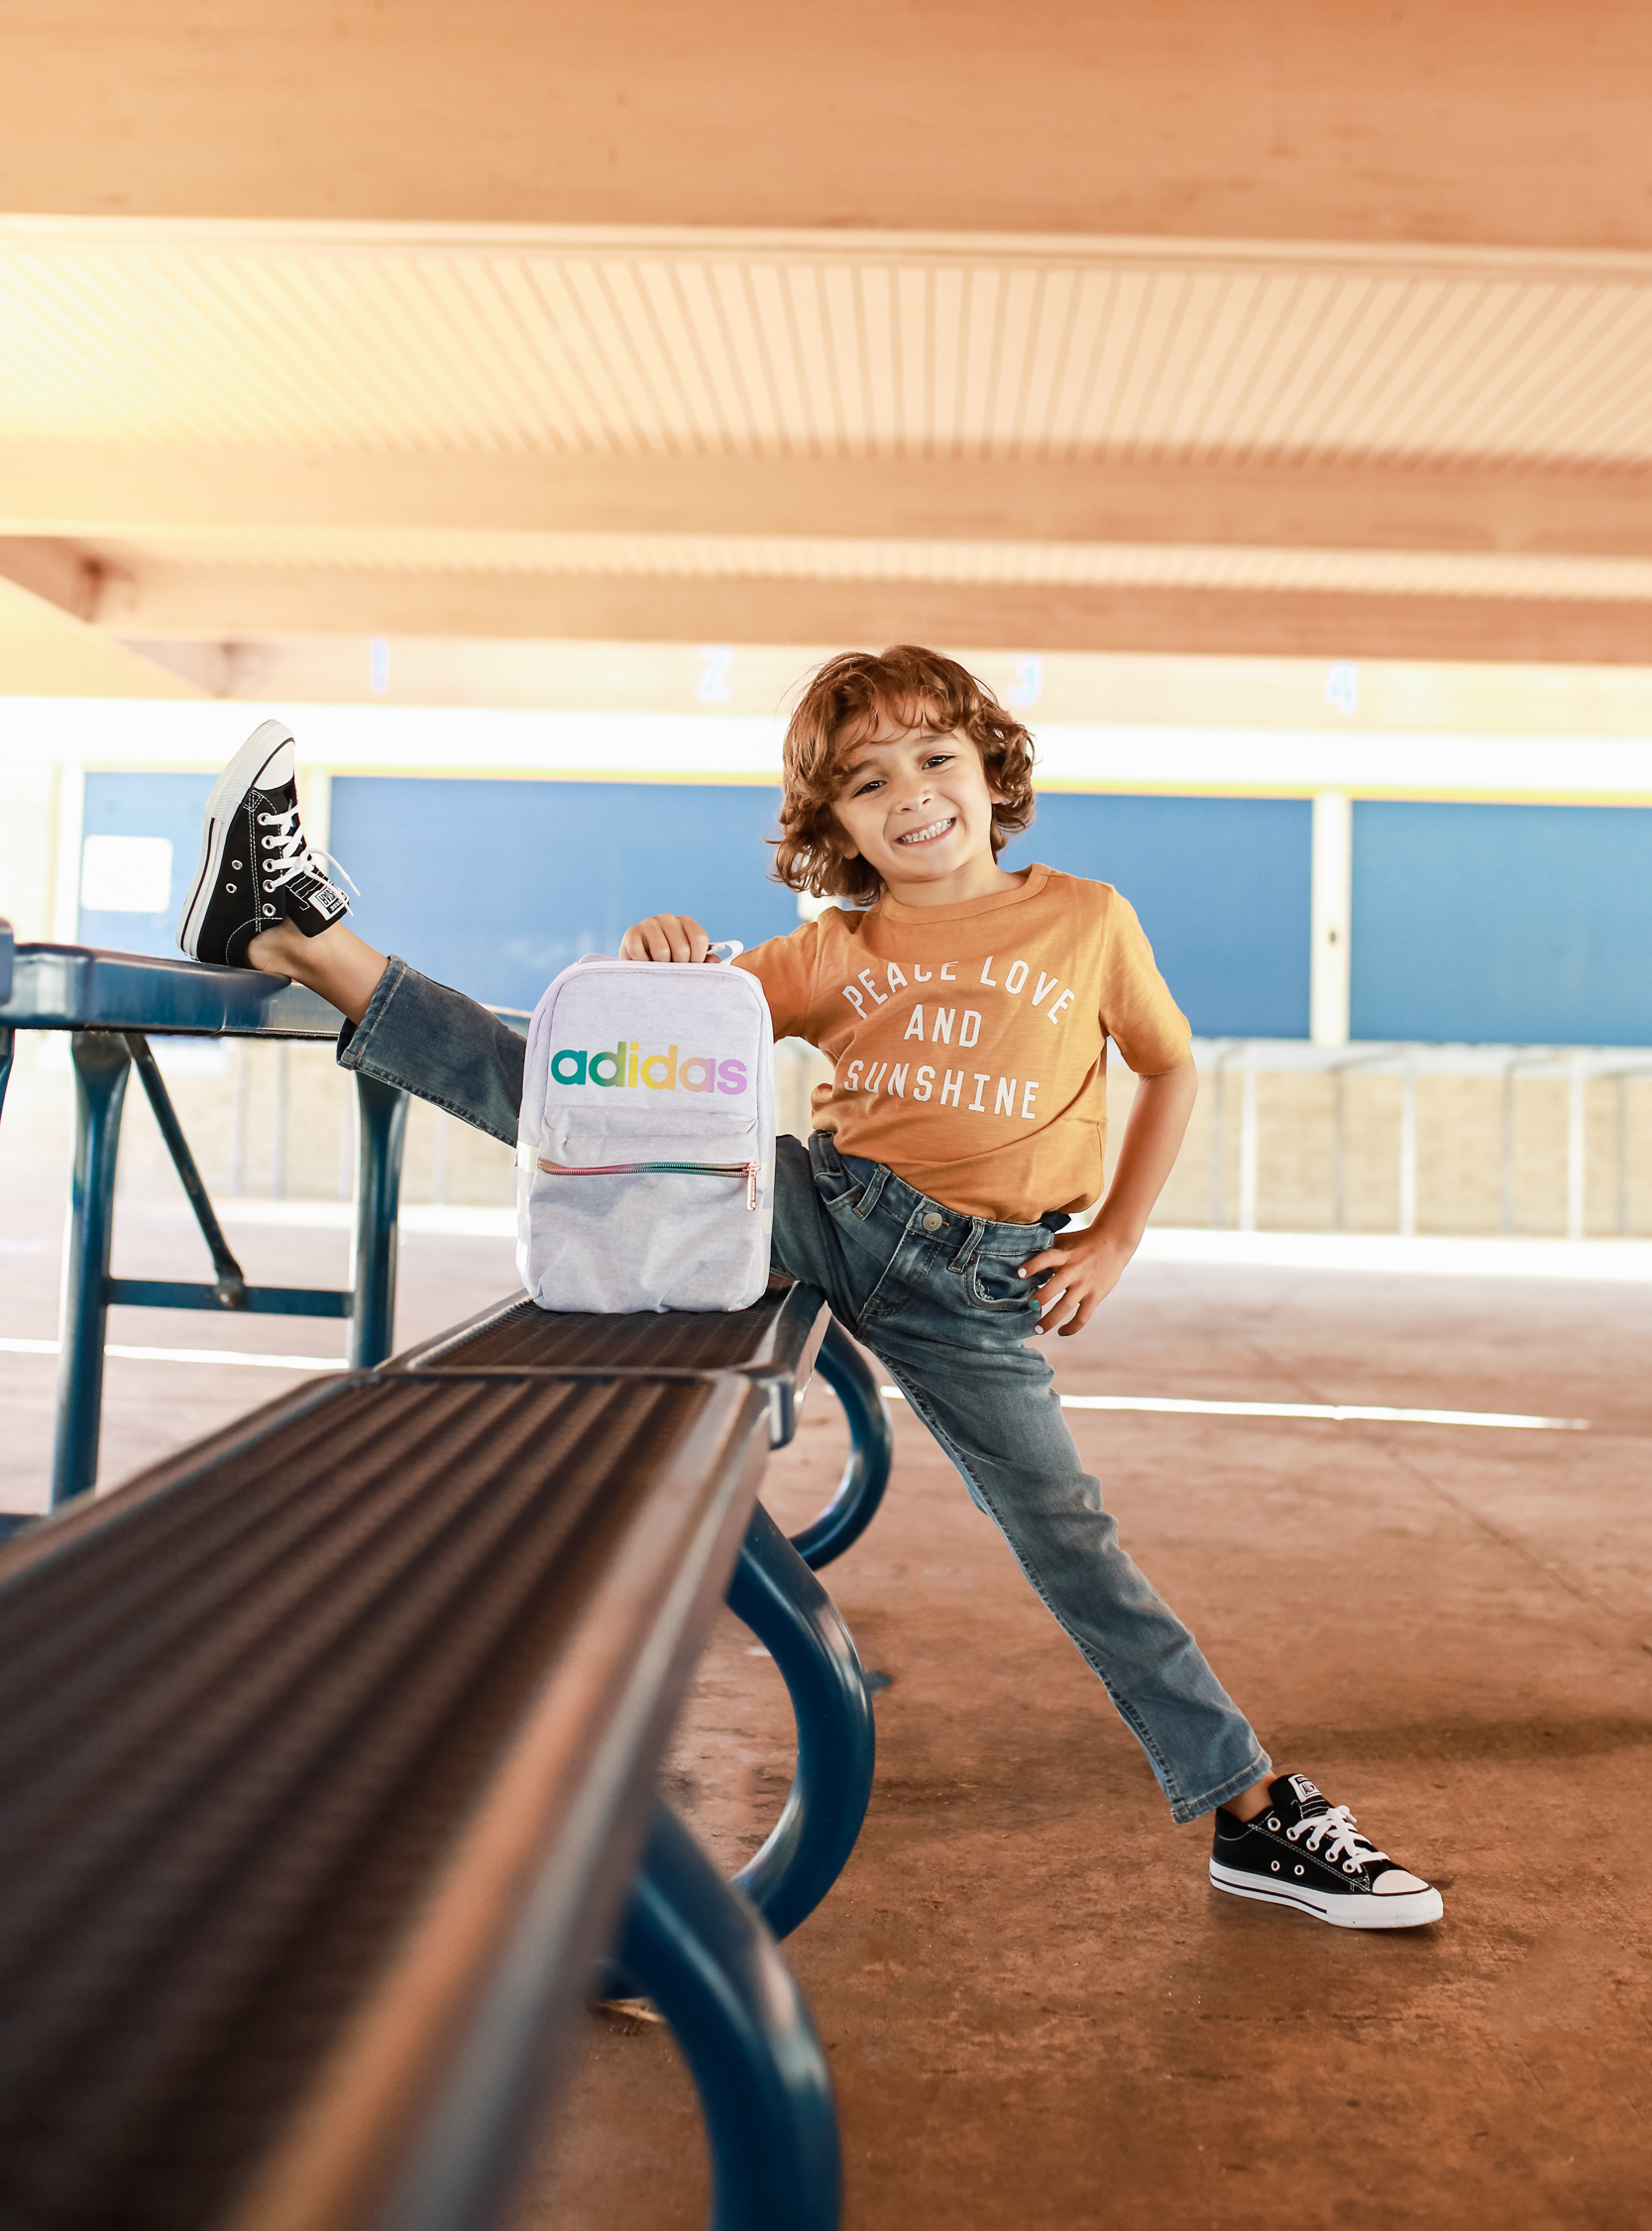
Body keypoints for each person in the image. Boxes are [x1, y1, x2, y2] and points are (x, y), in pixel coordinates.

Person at [177, 650, 1442, 1931]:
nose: (912, 797)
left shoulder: (1089, 920)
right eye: (865, 782)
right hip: (830, 1213)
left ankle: (1250, 1810)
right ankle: (306, 938)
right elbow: (661, 1043)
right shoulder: (835, 947)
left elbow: (1169, 1070)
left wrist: (1115, 1233)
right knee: (573, 1094)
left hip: (979, 1287)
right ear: (832, 826)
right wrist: (660, 957)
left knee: (1073, 1536)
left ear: (990, 772)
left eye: (936, 759)